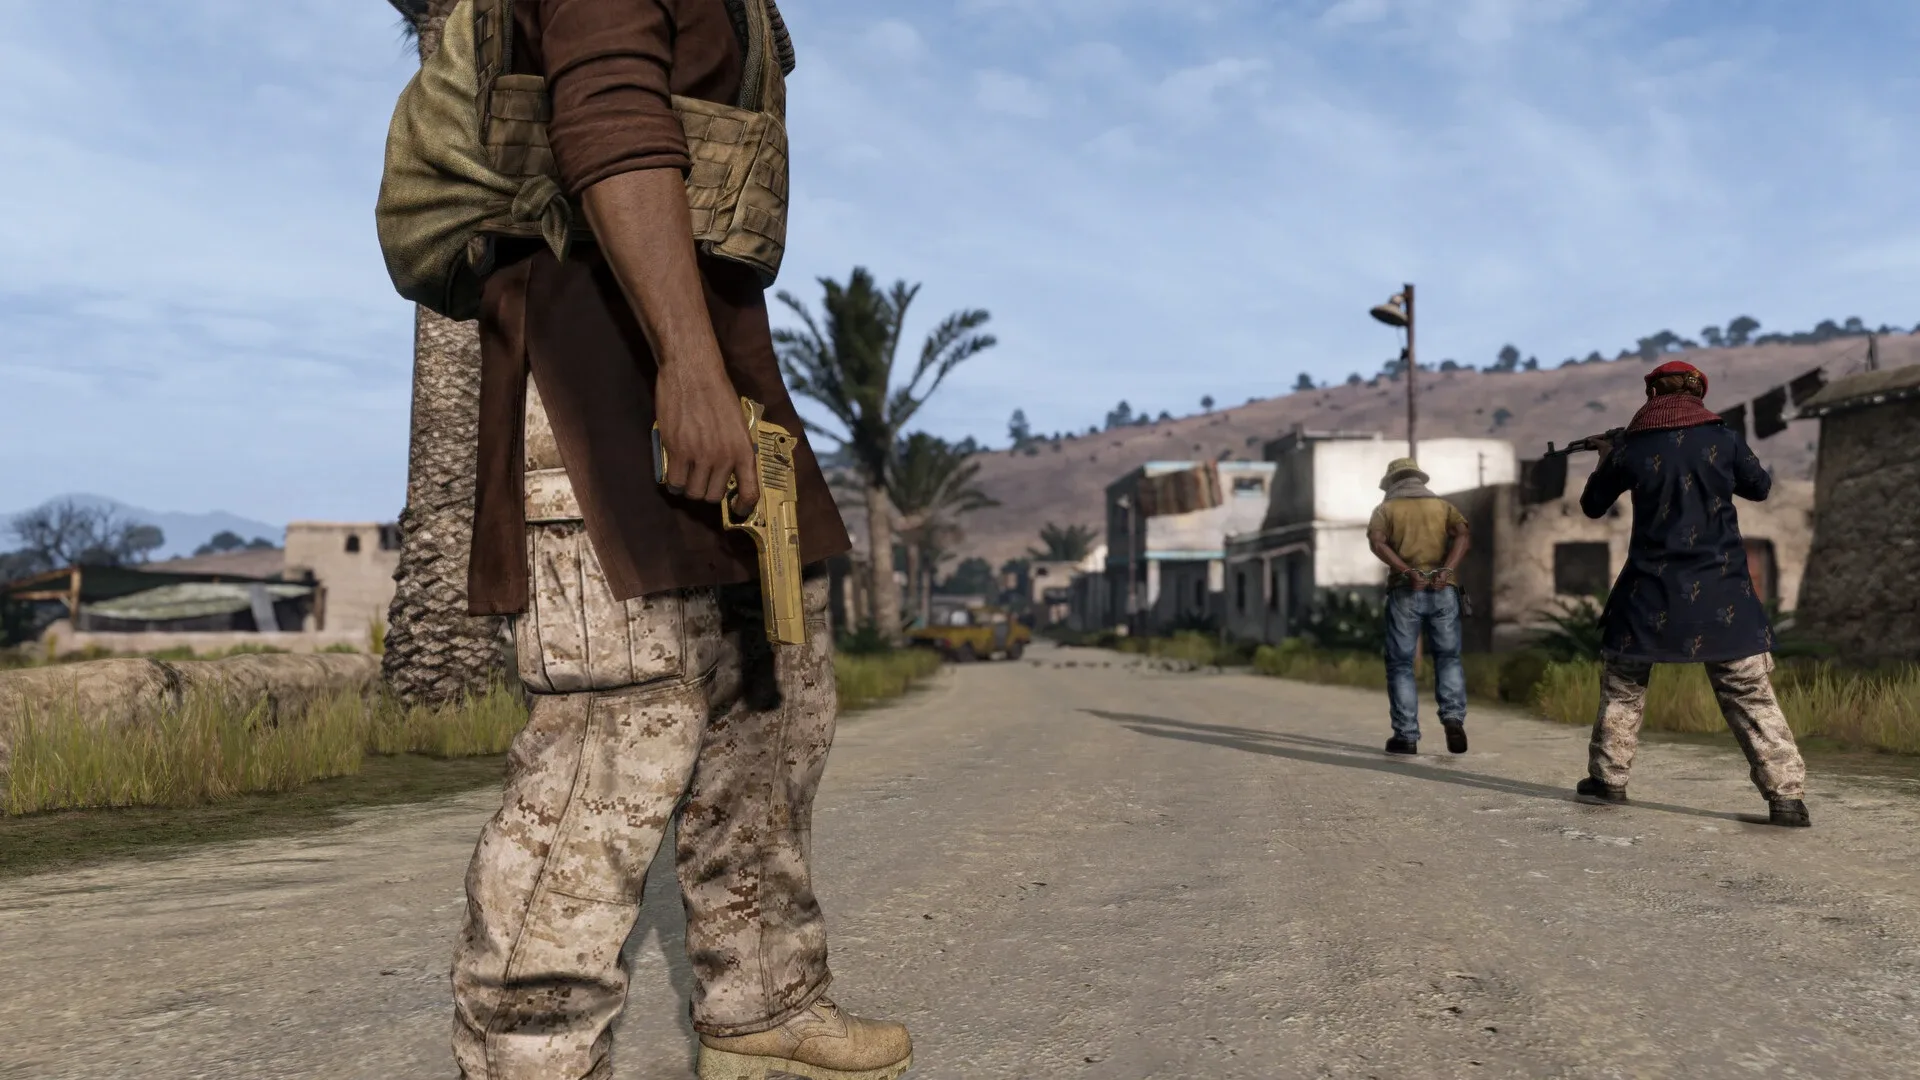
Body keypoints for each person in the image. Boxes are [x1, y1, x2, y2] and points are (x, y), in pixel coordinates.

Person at [447, 2, 915, 1078]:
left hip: (711, 369)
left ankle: (763, 1008)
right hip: (601, 381)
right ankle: (532, 1058)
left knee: (774, 703)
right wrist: (687, 366)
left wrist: (710, 369)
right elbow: (610, 117)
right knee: (614, 745)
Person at [1574, 359, 1810, 827]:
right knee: (1751, 696)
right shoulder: (1725, 439)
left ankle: (1608, 780)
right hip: (1723, 594)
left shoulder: (1631, 448)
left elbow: (1592, 505)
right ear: (1698, 393)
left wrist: (1607, 455)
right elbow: (1760, 488)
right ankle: (1786, 798)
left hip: (1648, 593)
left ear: (1653, 394)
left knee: (1623, 688)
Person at [1366, 457, 1471, 755]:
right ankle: (1453, 718)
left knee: (1401, 663)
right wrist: (1446, 570)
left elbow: (1377, 542)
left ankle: (1406, 735)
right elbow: (1463, 535)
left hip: (1405, 591)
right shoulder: (1443, 507)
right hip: (1443, 589)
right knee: (1448, 657)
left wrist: (1406, 570)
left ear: (1391, 482)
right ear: (1419, 479)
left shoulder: (1385, 510)